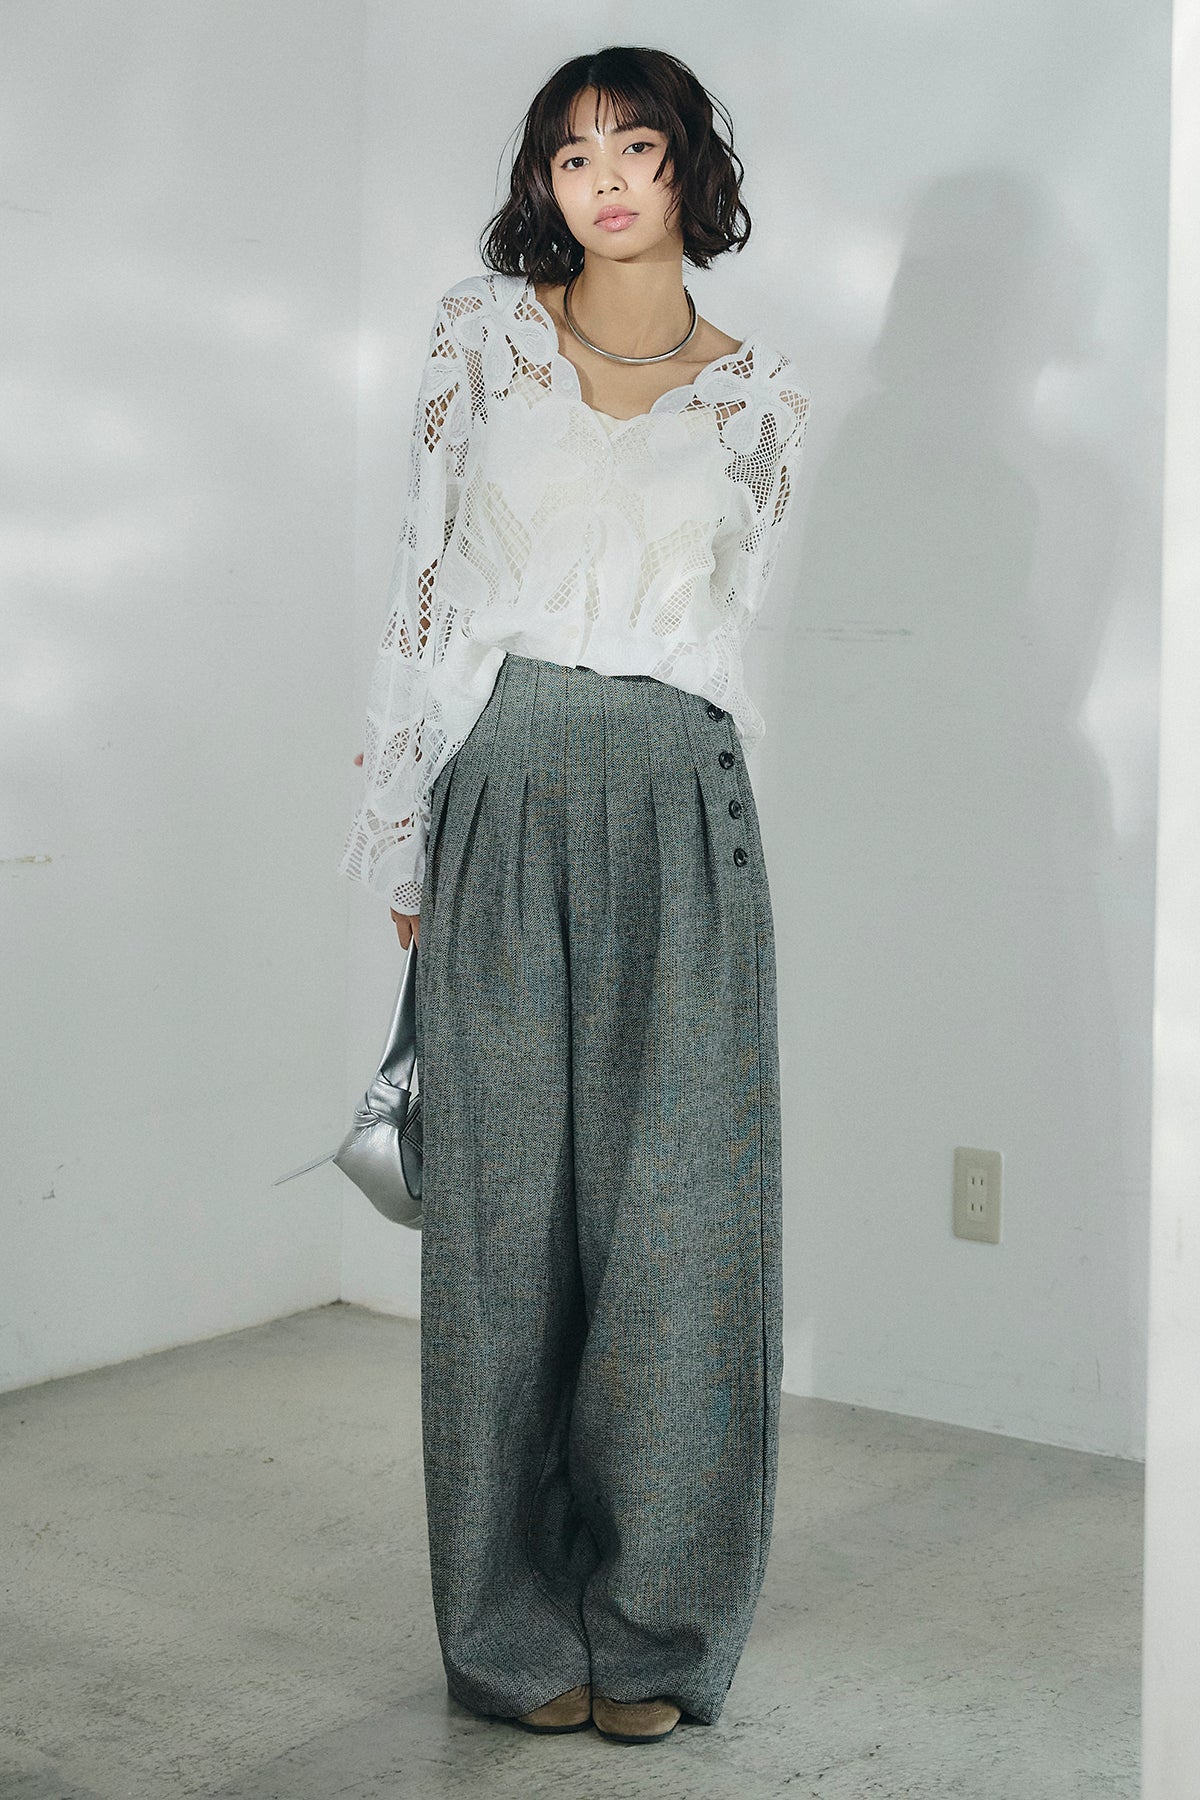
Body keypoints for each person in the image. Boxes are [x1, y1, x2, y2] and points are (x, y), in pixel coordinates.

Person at [338, 44, 810, 1748]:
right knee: (498, 1240)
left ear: (692, 169)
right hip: (502, 776)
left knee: (684, 1233)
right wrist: (405, 830)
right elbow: (421, 579)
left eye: (638, 145)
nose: (605, 178)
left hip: (682, 799)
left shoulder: (760, 398)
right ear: (545, 183)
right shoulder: (479, 339)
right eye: (573, 152)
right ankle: (506, 1629)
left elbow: (731, 635)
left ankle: (660, 1631)